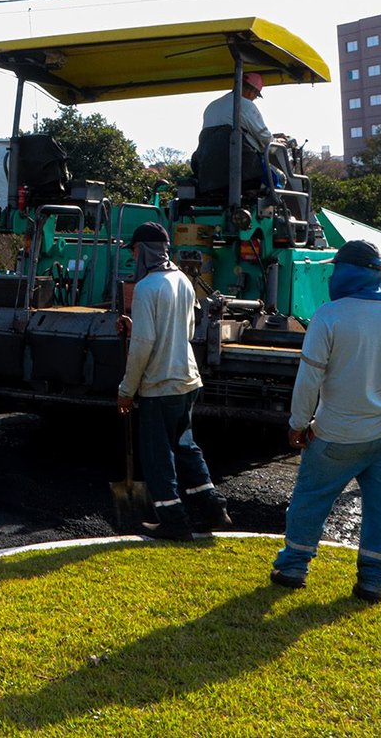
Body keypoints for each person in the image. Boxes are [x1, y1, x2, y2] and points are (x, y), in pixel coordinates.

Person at [270, 239, 381, 604]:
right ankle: (374, 581)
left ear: (342, 272)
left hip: (338, 435)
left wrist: (298, 423)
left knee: (311, 500)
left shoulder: (330, 315)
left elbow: (309, 378)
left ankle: (293, 567)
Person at [116, 221, 232, 539]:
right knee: (185, 445)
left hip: (159, 385)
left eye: (136, 250)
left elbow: (143, 345)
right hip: (188, 380)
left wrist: (126, 390)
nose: (134, 256)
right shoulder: (182, 280)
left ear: (144, 251)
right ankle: (213, 509)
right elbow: (189, 329)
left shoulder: (145, 288)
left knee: (157, 454)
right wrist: (136, 326)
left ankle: (173, 521)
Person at [201, 70, 274, 153]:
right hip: (240, 160)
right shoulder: (246, 105)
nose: (254, 98)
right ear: (251, 92)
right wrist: (276, 140)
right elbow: (265, 138)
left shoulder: (211, 106)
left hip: (208, 159)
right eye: (256, 95)